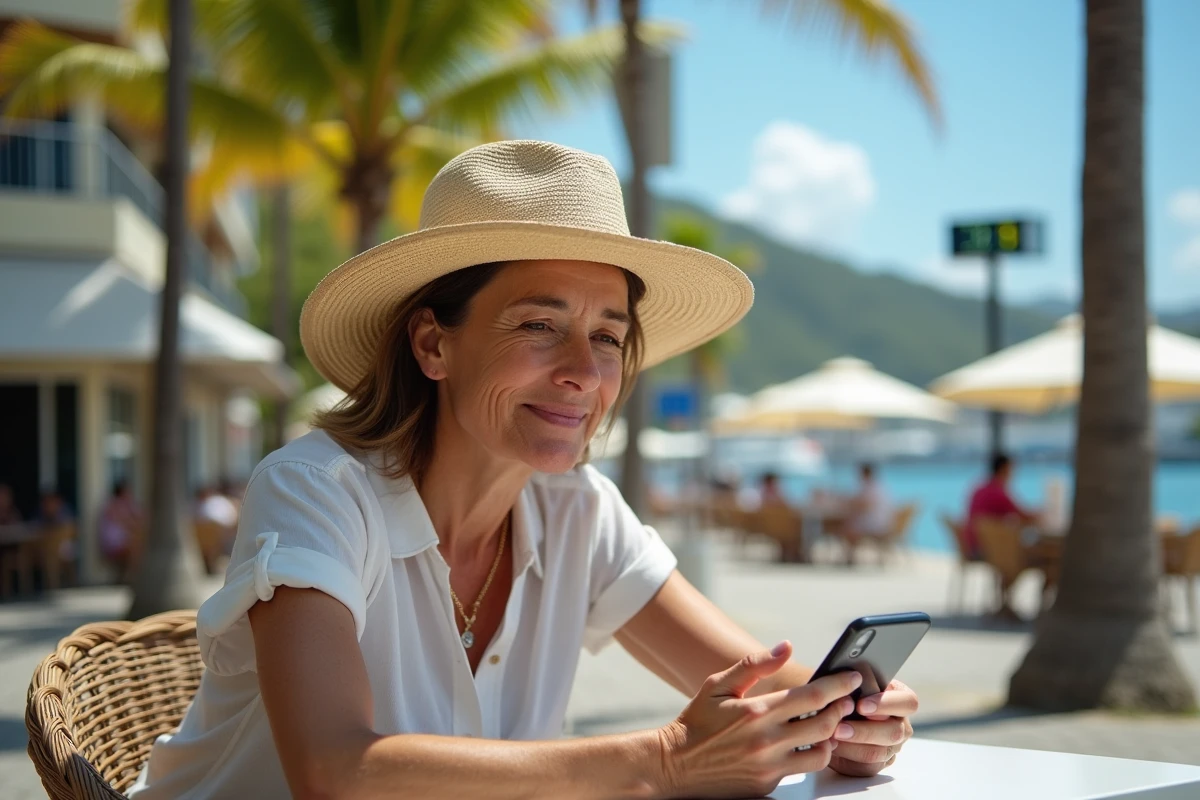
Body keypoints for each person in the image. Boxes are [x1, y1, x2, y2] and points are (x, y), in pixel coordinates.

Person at [129, 140, 918, 799]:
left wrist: (842, 717)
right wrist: (666, 758)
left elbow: (757, 687)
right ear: (433, 344)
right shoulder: (316, 491)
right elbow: (334, 771)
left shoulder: (580, 510)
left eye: (608, 337)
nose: (584, 371)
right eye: (540, 324)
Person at [839, 463, 894, 565]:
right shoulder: (878, 486)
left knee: (846, 529)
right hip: (884, 523)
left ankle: (849, 557)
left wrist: (845, 504)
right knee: (848, 527)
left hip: (876, 525)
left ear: (864, 474)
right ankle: (849, 557)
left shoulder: (871, 488)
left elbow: (863, 506)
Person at [98, 482, 142, 578]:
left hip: (123, 543)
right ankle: (132, 577)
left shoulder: (129, 505)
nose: (129, 494)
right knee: (136, 547)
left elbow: (140, 519)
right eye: (127, 492)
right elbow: (129, 524)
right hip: (113, 547)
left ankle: (131, 577)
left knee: (138, 545)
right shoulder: (112, 506)